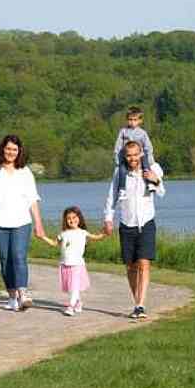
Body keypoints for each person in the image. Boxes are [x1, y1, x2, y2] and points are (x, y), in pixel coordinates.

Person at [0, 134, 45, 312]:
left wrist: (38, 224)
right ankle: (11, 297)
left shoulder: (25, 172)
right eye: (8, 149)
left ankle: (23, 294)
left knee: (18, 256)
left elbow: (33, 199)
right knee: (5, 260)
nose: (11, 152)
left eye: (14, 150)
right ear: (3, 149)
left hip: (21, 222)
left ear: (19, 152)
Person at [104, 140, 165, 320]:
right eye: (129, 155)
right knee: (131, 266)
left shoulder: (151, 169)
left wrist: (156, 180)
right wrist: (108, 219)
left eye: (135, 155)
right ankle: (136, 302)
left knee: (144, 263)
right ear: (125, 156)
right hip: (127, 224)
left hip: (146, 222)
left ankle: (140, 304)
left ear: (141, 154)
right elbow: (111, 197)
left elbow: (161, 192)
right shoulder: (120, 174)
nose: (132, 158)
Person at [41, 206, 104, 317]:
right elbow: (54, 243)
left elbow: (96, 237)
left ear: (79, 218)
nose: (72, 220)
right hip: (65, 264)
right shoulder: (63, 233)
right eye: (69, 218)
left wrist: (105, 232)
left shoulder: (83, 232)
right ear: (65, 220)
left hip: (77, 264)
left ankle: (70, 306)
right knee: (71, 286)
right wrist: (42, 237)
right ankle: (78, 302)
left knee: (74, 286)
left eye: (74, 217)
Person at [113, 106, 156, 200]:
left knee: (146, 165)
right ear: (127, 120)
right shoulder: (123, 132)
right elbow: (118, 146)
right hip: (127, 157)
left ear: (140, 120)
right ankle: (122, 189)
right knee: (122, 170)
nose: (132, 122)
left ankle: (150, 183)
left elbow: (148, 147)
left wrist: (150, 159)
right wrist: (117, 159)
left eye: (135, 120)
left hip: (139, 156)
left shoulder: (142, 133)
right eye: (130, 120)